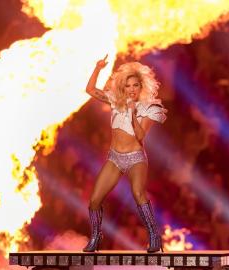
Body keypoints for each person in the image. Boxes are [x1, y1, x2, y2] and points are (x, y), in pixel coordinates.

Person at [82, 55, 167, 253]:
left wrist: (132, 112)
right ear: (123, 87)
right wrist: (97, 68)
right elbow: (90, 90)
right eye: (128, 86)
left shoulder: (149, 108)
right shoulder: (115, 101)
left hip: (136, 157)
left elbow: (139, 135)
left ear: (141, 87)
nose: (131, 89)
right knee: (94, 199)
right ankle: (96, 237)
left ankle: (154, 236)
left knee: (138, 194)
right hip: (115, 157)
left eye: (135, 85)